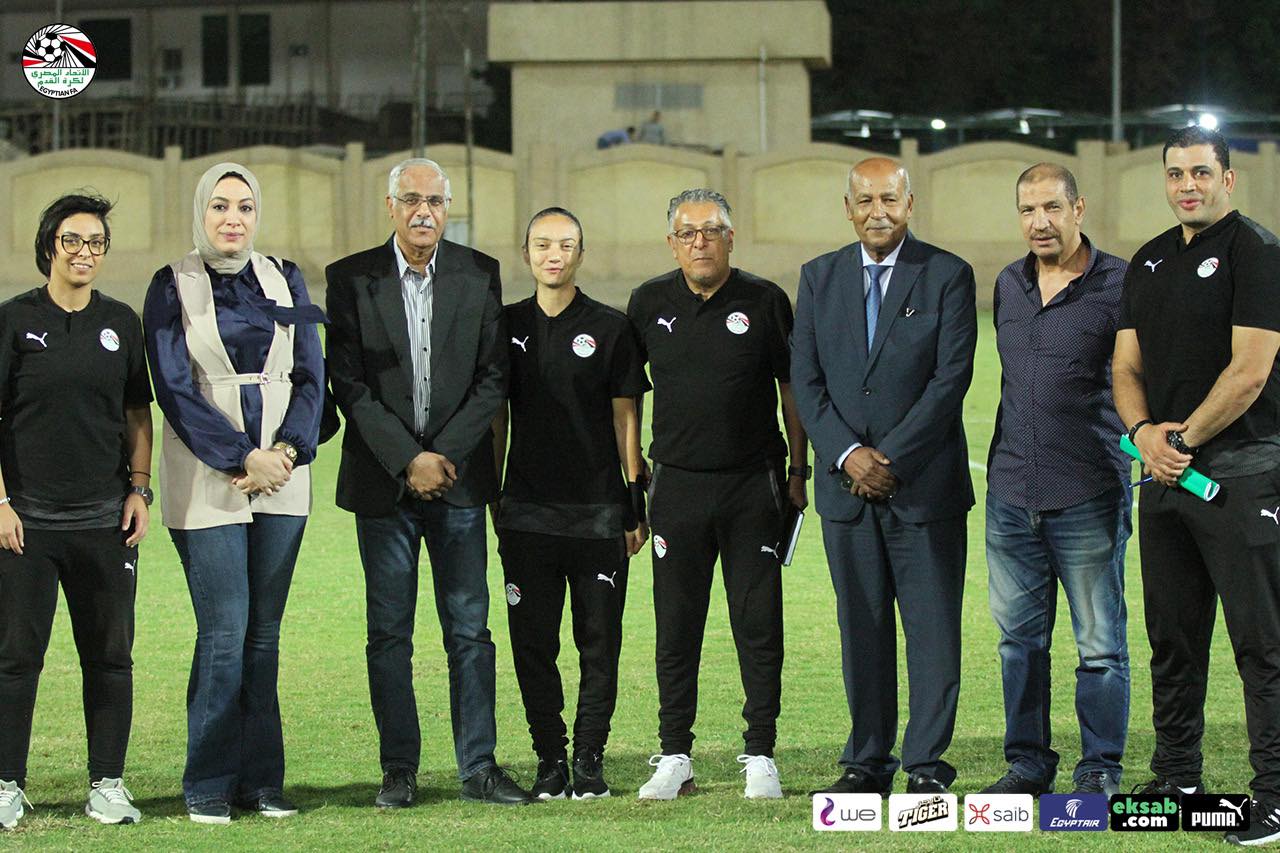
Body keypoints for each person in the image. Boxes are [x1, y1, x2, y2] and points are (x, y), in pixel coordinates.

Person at [325, 158, 528, 806]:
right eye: (411, 199)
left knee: (469, 631)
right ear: (391, 206)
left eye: (434, 201)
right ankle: (398, 770)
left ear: (447, 208)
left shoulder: (479, 273)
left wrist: (440, 456)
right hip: (383, 486)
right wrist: (407, 459)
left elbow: (493, 378)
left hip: (458, 484)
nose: (423, 212)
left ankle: (479, 768)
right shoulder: (350, 278)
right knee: (389, 635)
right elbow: (348, 383)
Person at [1112, 126, 1280, 846]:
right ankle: (1176, 776)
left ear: (1227, 179)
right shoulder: (1148, 259)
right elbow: (1125, 367)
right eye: (1177, 173)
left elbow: (1250, 371)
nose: (1188, 185)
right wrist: (1144, 432)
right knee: (1172, 640)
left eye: (1202, 172)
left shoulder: (1257, 251)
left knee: (1262, 644)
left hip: (1243, 476)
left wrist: (1180, 441)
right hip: (1165, 482)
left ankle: (1275, 795)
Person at [144, 162, 325, 824]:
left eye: (244, 206)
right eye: (220, 205)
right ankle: (208, 782)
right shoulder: (171, 283)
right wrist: (241, 456)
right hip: (208, 474)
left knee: (263, 636)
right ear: (201, 211)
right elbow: (174, 388)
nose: (232, 218)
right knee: (225, 632)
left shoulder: (285, 276)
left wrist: (286, 453)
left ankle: (262, 782)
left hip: (282, 475)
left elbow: (311, 374)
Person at [793, 157, 977, 796]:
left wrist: (888, 458)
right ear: (847, 208)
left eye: (890, 200)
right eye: (866, 200)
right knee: (862, 631)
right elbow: (805, 380)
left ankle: (925, 766)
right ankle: (866, 763)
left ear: (909, 204)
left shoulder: (948, 274)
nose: (879, 212)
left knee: (932, 634)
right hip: (847, 493)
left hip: (923, 489)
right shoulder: (818, 277)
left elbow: (951, 379)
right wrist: (848, 455)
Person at [627, 188, 809, 801]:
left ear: (731, 237)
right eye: (687, 233)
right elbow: (626, 394)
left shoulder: (765, 300)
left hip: (753, 485)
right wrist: (632, 470)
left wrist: (798, 471)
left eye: (711, 231)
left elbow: (791, 389)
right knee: (676, 625)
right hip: (676, 485)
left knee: (758, 625)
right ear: (671, 242)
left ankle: (761, 753)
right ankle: (674, 755)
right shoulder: (648, 301)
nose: (699, 242)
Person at [0, 193, 152, 829]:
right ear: (49, 247)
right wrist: (1, 503)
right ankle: (6, 785)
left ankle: (107, 785)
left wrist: (139, 489)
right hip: (26, 526)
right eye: (72, 241)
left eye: (95, 243)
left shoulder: (121, 323)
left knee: (111, 659)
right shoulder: (12, 320)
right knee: (15, 660)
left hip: (105, 524)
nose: (84, 252)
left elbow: (137, 412)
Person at [980, 163, 1131, 798]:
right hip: (1011, 492)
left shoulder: (1119, 283)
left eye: (1051, 208)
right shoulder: (1008, 284)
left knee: (1099, 645)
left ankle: (1099, 767)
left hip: (1087, 491)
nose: (1039, 222)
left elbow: (1138, 378)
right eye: (1027, 210)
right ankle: (1028, 765)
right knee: (1018, 643)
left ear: (1078, 209)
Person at [492, 207, 649, 800]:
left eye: (565, 245)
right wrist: (495, 495)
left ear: (581, 254)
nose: (553, 255)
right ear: (526, 254)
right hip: (527, 515)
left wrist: (634, 502)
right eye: (542, 244)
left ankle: (588, 758)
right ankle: (549, 758)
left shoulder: (611, 327)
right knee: (533, 645)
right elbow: (497, 419)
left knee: (598, 643)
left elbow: (626, 419)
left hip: (599, 514)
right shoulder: (504, 325)